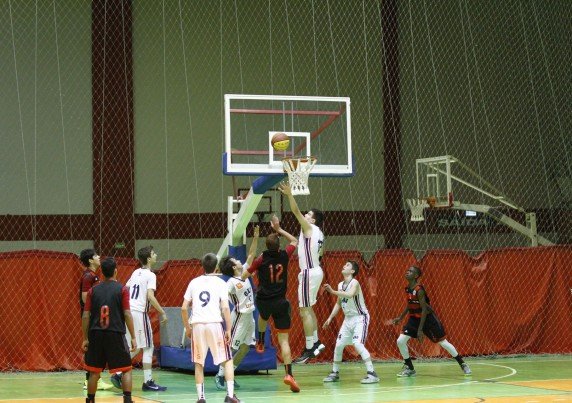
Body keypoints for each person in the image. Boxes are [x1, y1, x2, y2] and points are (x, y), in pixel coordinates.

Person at [242, 216, 301, 393]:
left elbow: (245, 275)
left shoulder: (261, 259)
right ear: (279, 246)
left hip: (264, 300)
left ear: (266, 247)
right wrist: (279, 229)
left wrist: (252, 273)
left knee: (262, 316)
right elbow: (295, 240)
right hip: (281, 302)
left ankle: (260, 340)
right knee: (284, 341)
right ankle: (289, 374)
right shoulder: (284, 255)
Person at [181, 253, 241, 403]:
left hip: (197, 325)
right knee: (227, 360)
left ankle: (201, 398)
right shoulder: (221, 283)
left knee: (199, 363)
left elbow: (183, 308)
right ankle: (230, 396)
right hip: (214, 324)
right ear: (216, 268)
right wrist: (228, 329)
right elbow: (225, 308)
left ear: (203, 266)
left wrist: (187, 328)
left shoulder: (194, 282)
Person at [391, 266, 471, 377]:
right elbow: (410, 305)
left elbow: (424, 310)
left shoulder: (419, 290)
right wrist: (400, 318)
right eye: (407, 270)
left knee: (443, 343)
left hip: (427, 318)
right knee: (400, 341)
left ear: (416, 276)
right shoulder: (408, 288)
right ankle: (410, 368)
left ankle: (462, 363)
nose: (407, 272)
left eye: (410, 271)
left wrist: (420, 330)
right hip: (414, 318)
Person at [278, 182, 325, 364]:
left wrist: (290, 195)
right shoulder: (319, 232)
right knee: (309, 308)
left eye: (309, 215)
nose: (305, 215)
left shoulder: (309, 228)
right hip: (316, 270)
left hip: (308, 273)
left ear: (312, 220)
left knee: (304, 311)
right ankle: (316, 342)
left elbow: (296, 212)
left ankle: (309, 347)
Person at [110, 246, 168, 391]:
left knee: (136, 346)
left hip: (129, 311)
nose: (156, 255)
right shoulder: (150, 275)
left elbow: (126, 289)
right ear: (149, 259)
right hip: (140, 313)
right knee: (148, 347)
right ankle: (148, 382)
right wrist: (162, 312)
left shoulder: (136, 272)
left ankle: (117, 373)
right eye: (154, 254)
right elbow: (150, 296)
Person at [82, 257, 137, 403]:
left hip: (96, 333)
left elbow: (86, 315)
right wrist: (133, 336)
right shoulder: (122, 289)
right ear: (115, 271)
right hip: (115, 333)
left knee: (94, 371)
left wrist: (85, 338)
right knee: (126, 369)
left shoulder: (93, 290)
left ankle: (91, 400)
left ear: (102, 272)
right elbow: (127, 313)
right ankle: (127, 399)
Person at [322, 261, 379, 384]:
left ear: (352, 271)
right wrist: (330, 318)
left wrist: (332, 292)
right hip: (348, 319)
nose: (344, 265)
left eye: (347, 265)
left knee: (357, 344)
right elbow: (338, 303)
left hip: (360, 318)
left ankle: (372, 373)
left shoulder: (355, 282)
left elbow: (349, 294)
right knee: (339, 345)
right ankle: (335, 373)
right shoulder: (340, 284)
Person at [214, 236, 258, 391]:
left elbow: (251, 254)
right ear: (233, 267)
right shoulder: (231, 283)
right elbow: (222, 298)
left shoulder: (244, 272)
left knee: (246, 347)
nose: (239, 260)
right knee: (232, 348)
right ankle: (220, 375)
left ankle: (230, 373)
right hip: (239, 317)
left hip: (250, 317)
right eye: (235, 260)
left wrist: (256, 237)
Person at [79, 249, 113, 391]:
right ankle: (90, 380)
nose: (99, 257)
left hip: (95, 317)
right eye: (96, 256)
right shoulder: (88, 276)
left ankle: (95, 379)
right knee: (93, 350)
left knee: (96, 349)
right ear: (91, 260)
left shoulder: (93, 276)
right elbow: (85, 297)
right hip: (92, 318)